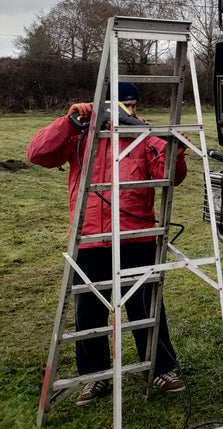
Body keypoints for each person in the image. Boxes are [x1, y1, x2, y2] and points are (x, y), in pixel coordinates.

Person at [28, 82, 187, 405]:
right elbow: (38, 154)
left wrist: (175, 147)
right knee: (88, 310)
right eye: (118, 104)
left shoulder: (144, 136)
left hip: (136, 234)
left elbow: (171, 175)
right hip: (89, 236)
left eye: (130, 105)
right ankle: (95, 376)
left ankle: (160, 367)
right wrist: (70, 122)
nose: (124, 111)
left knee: (146, 304)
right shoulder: (81, 135)